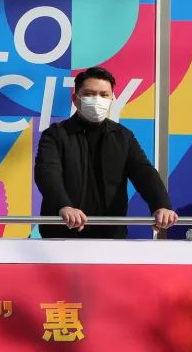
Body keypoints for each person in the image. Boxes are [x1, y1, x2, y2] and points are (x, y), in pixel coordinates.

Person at [34, 66, 177, 239]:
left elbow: (144, 172)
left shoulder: (123, 136)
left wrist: (161, 205)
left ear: (111, 99)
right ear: (75, 99)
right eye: (89, 94)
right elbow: (47, 173)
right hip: (62, 233)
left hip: (110, 235)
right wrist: (64, 206)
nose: (97, 100)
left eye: (104, 95)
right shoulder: (56, 134)